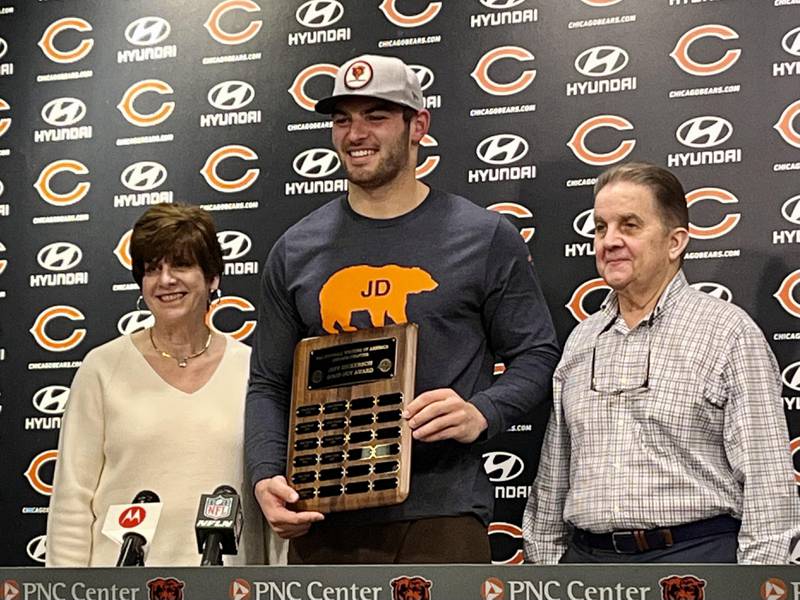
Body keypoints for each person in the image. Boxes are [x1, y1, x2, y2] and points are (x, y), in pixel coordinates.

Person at [245, 54, 560, 564]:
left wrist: (483, 411)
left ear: (419, 126)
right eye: (342, 119)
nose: (355, 134)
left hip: (442, 511)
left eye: (376, 116)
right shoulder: (295, 249)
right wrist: (265, 473)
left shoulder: (482, 237)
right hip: (324, 513)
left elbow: (538, 355)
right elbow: (268, 382)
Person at [523, 162, 800, 564]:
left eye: (629, 225)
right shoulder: (582, 340)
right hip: (588, 565)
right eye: (601, 227)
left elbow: (767, 484)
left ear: (675, 242)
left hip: (694, 560)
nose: (609, 241)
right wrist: (545, 569)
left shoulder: (727, 333)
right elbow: (554, 477)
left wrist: (757, 584)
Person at [47, 203, 277, 566]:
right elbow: (72, 503)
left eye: (181, 265)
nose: (166, 280)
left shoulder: (253, 370)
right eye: (153, 269)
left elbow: (271, 507)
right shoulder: (102, 368)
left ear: (213, 277)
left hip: (228, 588)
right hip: (121, 590)